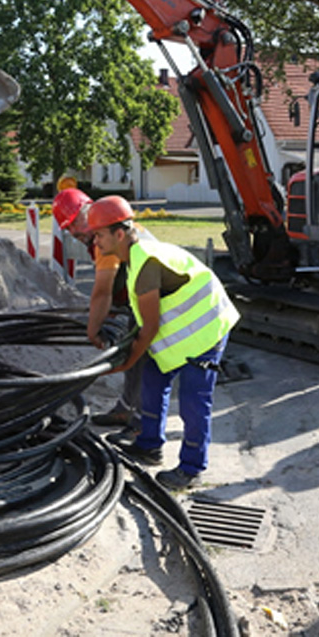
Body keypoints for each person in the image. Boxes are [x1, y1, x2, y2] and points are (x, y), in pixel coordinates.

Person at [86, 195, 240, 491]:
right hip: (186, 333)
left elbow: (151, 325)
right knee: (153, 379)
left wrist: (127, 362)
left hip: (208, 329)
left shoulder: (144, 261)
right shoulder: (134, 256)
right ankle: (149, 445)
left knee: (194, 400)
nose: (95, 241)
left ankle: (191, 469)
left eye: (99, 235)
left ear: (120, 234)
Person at [52, 187, 143, 437]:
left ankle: (141, 426)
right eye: (68, 228)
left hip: (157, 300)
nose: (74, 232)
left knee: (146, 359)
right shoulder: (103, 234)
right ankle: (126, 410)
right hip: (140, 298)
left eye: (75, 223)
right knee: (133, 354)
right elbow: (114, 287)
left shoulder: (107, 237)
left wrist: (93, 330)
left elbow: (102, 291)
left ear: (88, 210)